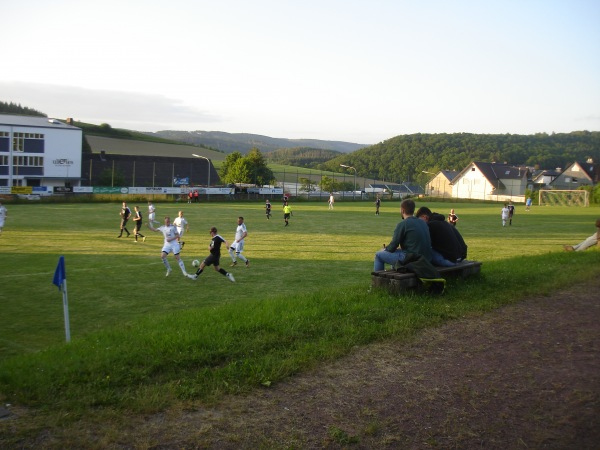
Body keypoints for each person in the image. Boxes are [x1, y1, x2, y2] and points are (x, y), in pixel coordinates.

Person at [373, 199, 432, 271]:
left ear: (402, 210)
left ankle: (378, 280)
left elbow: (393, 246)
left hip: (412, 258)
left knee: (378, 255)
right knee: (396, 252)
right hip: (425, 257)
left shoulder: (403, 224)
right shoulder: (423, 223)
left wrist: (385, 250)